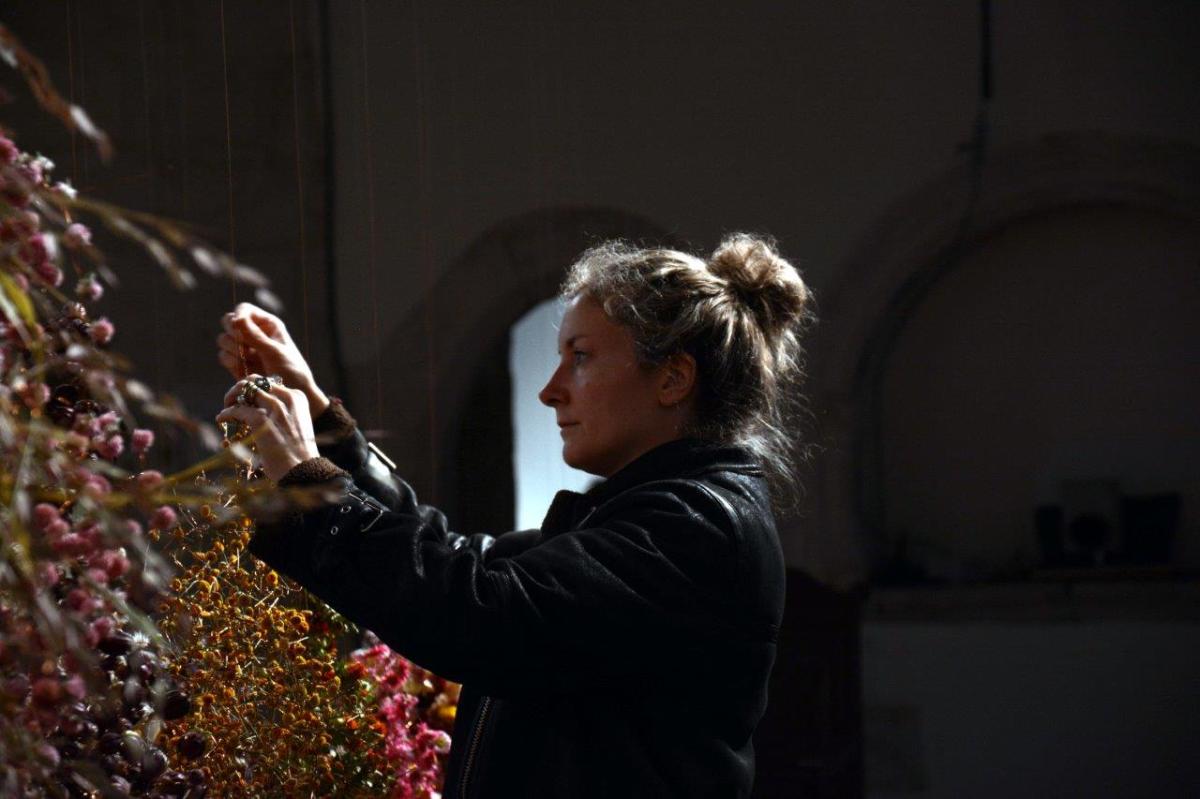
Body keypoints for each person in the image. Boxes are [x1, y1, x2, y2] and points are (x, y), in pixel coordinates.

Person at [214, 233, 815, 798]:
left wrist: (308, 480)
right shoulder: (651, 514)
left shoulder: (693, 526)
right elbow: (457, 560)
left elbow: (475, 610)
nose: (550, 390)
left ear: (673, 378)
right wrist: (321, 428)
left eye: (580, 357)